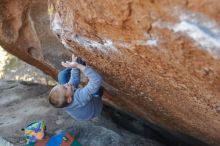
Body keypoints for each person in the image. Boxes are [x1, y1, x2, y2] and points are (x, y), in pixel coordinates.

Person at [48, 54, 103, 121]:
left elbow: (74, 79)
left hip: (81, 111)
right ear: (69, 99)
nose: (66, 84)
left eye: (62, 85)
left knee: (62, 76)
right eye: (65, 87)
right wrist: (79, 66)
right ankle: (97, 95)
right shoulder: (79, 97)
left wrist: (75, 65)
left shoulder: (66, 98)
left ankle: (72, 65)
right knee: (97, 89)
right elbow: (97, 80)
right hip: (95, 109)